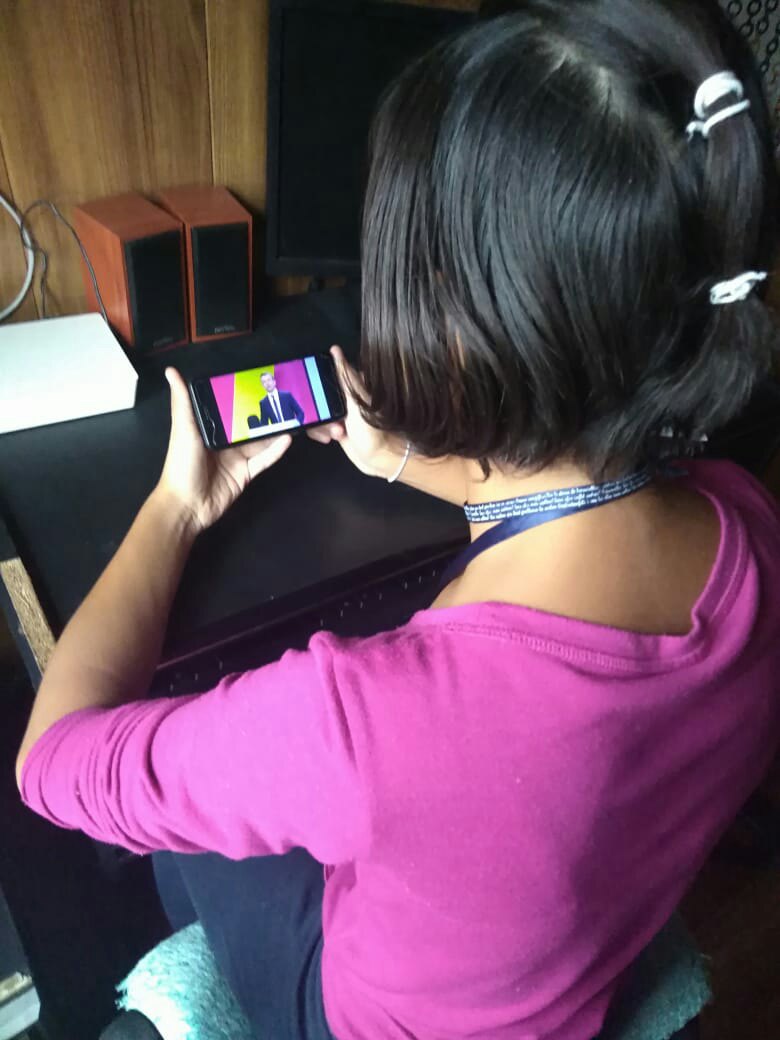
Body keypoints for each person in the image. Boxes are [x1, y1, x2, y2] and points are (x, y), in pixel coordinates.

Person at [15, 2, 780, 1039]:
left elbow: (54, 765)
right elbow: (573, 500)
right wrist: (412, 461)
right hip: (579, 958)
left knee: (189, 811)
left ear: (450, 321)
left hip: (367, 1017)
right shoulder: (748, 525)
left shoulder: (363, 720)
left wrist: (176, 505)